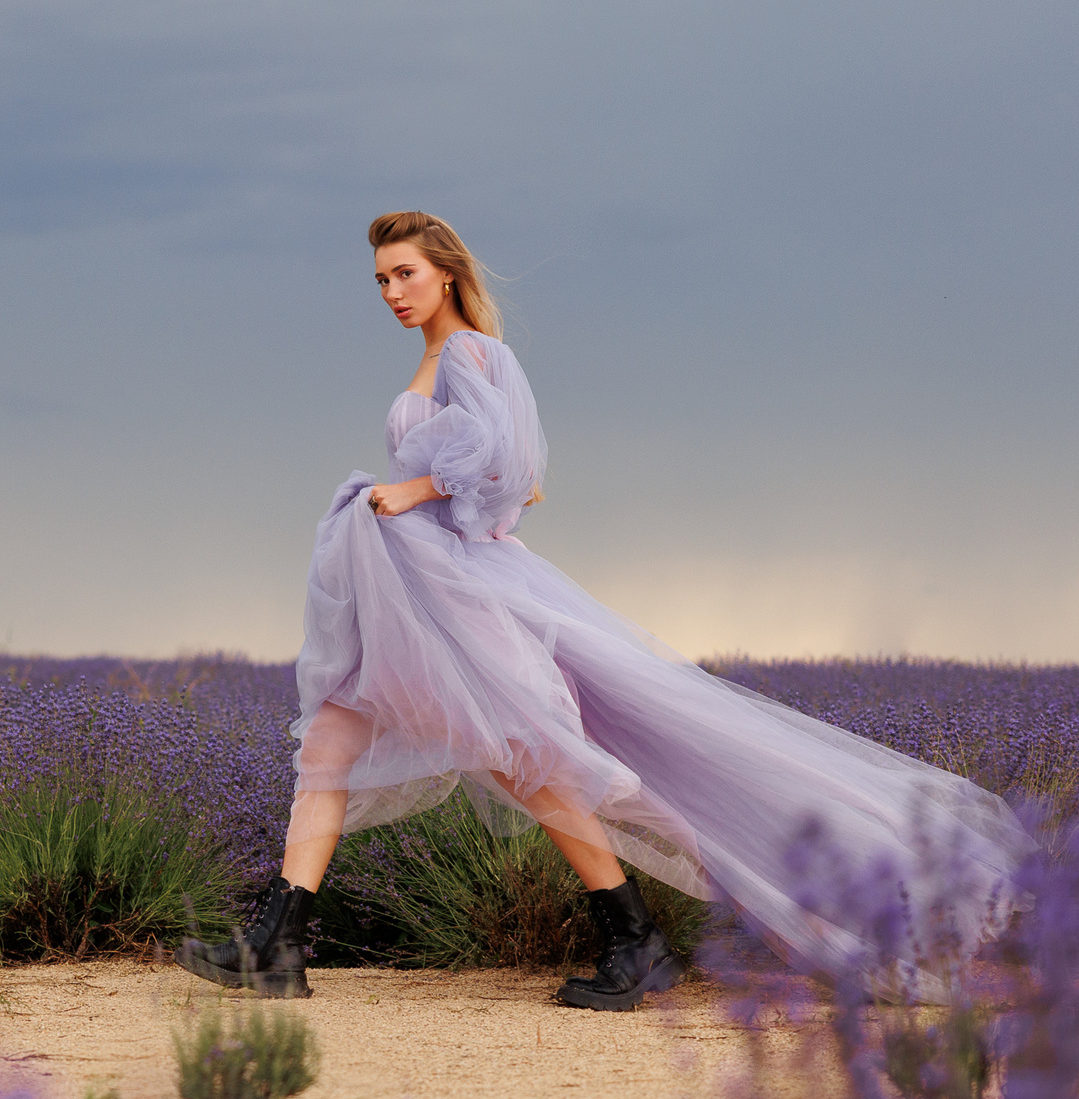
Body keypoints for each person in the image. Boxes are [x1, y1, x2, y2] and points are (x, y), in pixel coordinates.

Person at [179, 211, 1033, 1008]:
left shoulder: (471, 352)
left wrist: (415, 487)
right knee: (333, 739)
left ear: (447, 274)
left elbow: (507, 464)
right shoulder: (446, 360)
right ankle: (279, 941)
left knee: (526, 756)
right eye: (381, 280)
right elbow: (514, 475)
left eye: (405, 273)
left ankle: (635, 937)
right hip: (423, 592)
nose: (392, 291)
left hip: (462, 591)